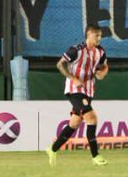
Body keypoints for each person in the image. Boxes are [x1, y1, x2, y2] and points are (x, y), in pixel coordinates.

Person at [46, 25, 110, 167]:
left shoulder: (101, 52)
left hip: (88, 90)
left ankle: (52, 149)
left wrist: (103, 72)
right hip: (74, 90)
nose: (99, 38)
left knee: (74, 124)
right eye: (96, 36)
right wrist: (72, 78)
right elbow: (60, 64)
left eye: (100, 36)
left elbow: (104, 66)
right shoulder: (76, 50)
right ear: (88, 35)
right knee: (91, 118)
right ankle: (95, 156)